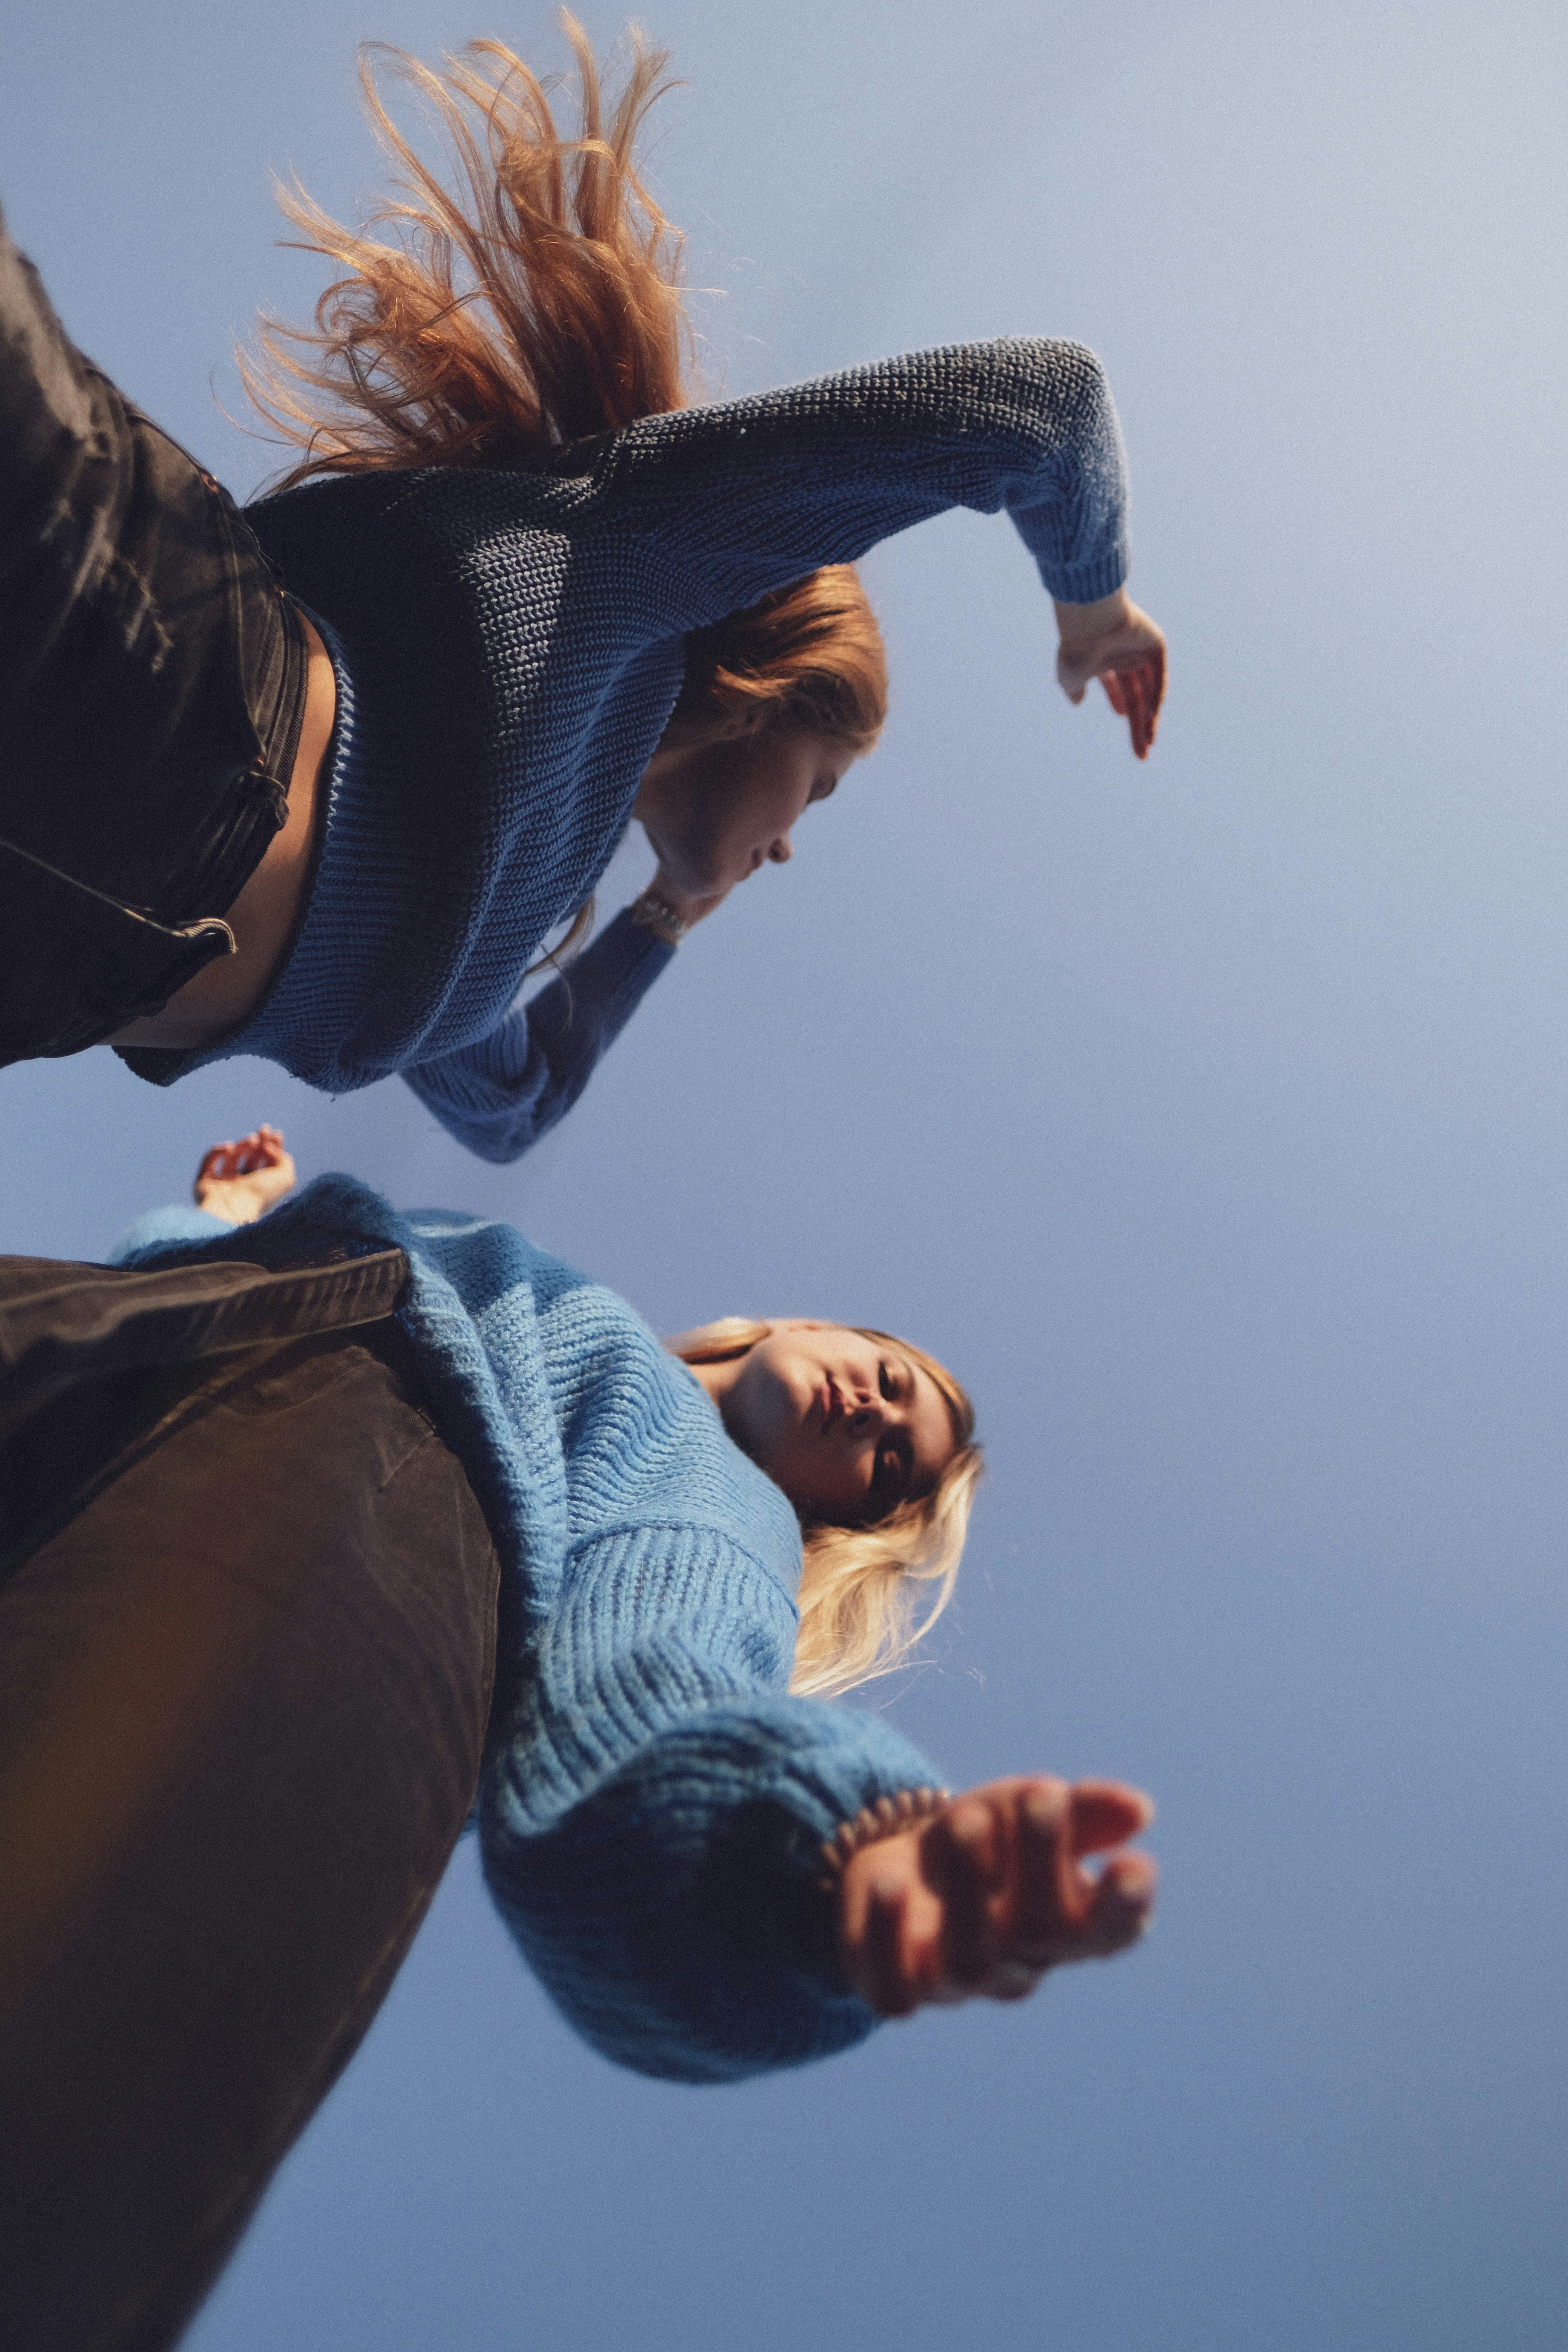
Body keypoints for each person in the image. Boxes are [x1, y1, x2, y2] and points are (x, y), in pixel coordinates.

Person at [0, 1125, 1158, 2350]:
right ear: (816, 1325)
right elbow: (170, 1289)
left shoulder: (716, 1499)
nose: (872, 1415)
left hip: (347, 1496)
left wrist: (821, 1849)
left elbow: (658, 1693)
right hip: (106, 1350)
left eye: (885, 1469)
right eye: (892, 1380)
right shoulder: (539, 1302)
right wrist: (230, 1222)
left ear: (836, 1521)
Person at [0, 18, 1167, 1160]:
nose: (788, 851)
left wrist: (664, 918)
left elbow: (514, 1112)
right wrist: (1096, 616)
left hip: (55, 969)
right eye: (818, 793)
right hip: (130, 653)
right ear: (779, 690)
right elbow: (1042, 407)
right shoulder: (634, 562)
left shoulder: (504, 936)